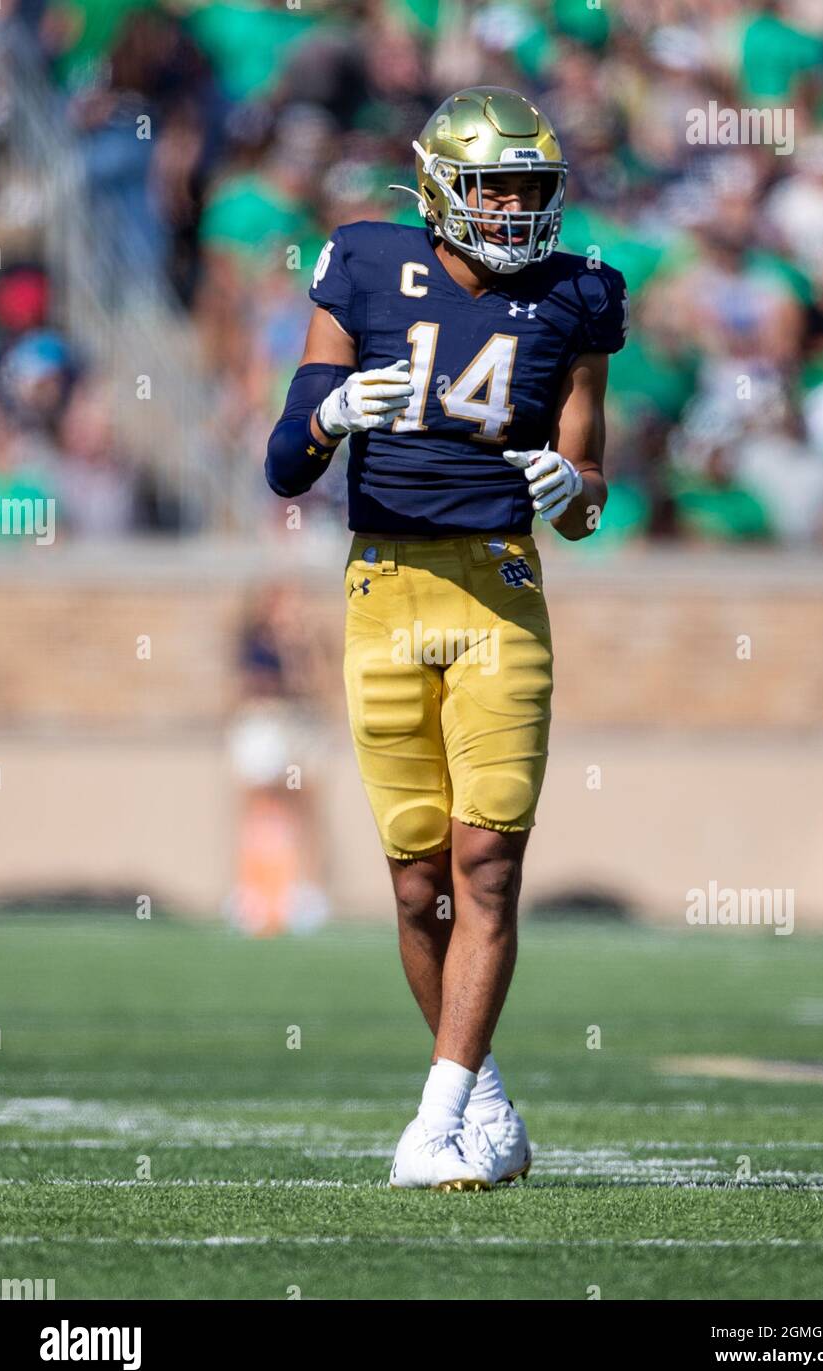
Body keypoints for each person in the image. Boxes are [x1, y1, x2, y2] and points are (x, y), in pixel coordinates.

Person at [265, 87, 628, 1190]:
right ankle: (480, 1088)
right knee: (416, 879)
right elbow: (286, 464)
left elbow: (588, 493)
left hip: (498, 592)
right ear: (437, 189)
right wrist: (330, 417)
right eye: (493, 186)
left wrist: (573, 484)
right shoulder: (363, 264)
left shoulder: (577, 295)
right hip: (382, 585)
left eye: (531, 187)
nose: (516, 208)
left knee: (487, 864)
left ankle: (431, 1124)